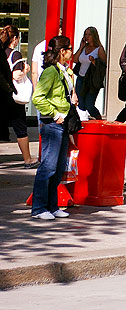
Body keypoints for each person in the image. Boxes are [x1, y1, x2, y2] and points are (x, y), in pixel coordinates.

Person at [30, 36, 76, 220]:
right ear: (62, 51)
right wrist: (54, 114)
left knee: (57, 168)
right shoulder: (51, 72)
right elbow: (38, 97)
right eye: (70, 48)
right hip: (53, 124)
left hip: (62, 123)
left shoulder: (64, 71)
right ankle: (39, 208)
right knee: (48, 166)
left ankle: (52, 205)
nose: (72, 52)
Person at [2, 26, 37, 167]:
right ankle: (28, 159)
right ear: (15, 39)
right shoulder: (14, 54)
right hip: (12, 97)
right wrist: (25, 70)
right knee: (20, 128)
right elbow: (16, 75)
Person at [72, 26, 105, 119]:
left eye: (89, 34)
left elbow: (104, 65)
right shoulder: (84, 47)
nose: (87, 37)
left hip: (92, 80)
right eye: (85, 34)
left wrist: (94, 61)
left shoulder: (99, 49)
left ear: (94, 36)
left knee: (89, 105)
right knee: (81, 104)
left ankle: (99, 120)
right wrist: (81, 46)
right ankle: (83, 122)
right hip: (81, 78)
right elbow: (75, 60)